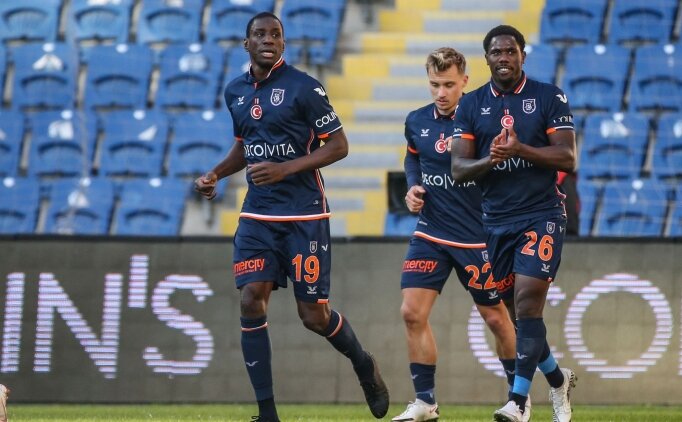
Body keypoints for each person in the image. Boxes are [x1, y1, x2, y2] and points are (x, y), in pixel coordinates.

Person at [194, 12, 389, 422]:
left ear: (284, 43)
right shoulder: (235, 92)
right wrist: (215, 174)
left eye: (275, 34)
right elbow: (245, 146)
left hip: (304, 215)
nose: (268, 39)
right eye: (260, 34)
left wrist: (285, 169)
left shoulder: (305, 88)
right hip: (258, 215)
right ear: (246, 43)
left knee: (313, 317)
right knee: (251, 299)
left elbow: (339, 145)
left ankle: (362, 363)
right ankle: (267, 413)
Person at [450, 25, 578, 422]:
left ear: (523, 55)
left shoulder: (549, 97)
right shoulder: (470, 105)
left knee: (527, 303)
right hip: (496, 221)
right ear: (486, 58)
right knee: (519, 314)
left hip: (542, 214)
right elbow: (458, 169)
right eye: (496, 52)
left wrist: (520, 148)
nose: (503, 58)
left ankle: (518, 401)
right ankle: (557, 379)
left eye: (510, 51)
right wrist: (493, 159)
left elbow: (568, 157)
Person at [392, 47, 518, 422]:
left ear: (465, 80)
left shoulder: (483, 120)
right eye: (435, 84)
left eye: (448, 84)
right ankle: (425, 402)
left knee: (496, 319)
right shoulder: (417, 120)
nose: (441, 92)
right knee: (411, 313)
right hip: (431, 232)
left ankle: (518, 398)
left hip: (478, 238)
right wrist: (413, 187)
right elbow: (413, 156)